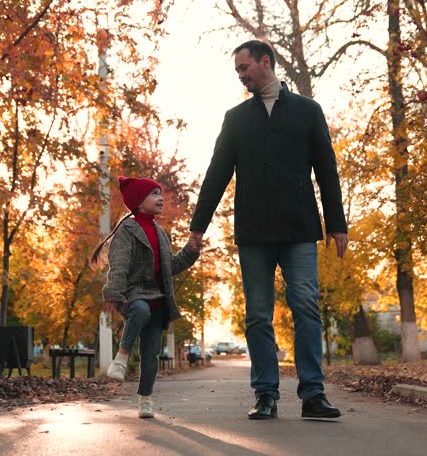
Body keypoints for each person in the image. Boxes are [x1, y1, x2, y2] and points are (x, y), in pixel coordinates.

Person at [188, 40, 348, 420]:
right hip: (254, 233)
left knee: (306, 308)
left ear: (265, 62)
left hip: (299, 231)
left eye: (244, 67)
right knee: (258, 315)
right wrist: (198, 227)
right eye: (238, 70)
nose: (241, 75)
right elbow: (216, 176)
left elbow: (327, 171)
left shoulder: (308, 112)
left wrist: (336, 224)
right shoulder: (236, 119)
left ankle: (313, 395)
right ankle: (266, 395)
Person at [93, 176, 201, 418]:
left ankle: (145, 400)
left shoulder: (160, 233)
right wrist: (114, 293)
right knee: (140, 310)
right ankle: (121, 357)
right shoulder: (127, 230)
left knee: (151, 354)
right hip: (132, 295)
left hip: (158, 299)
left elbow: (169, 266)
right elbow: (119, 265)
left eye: (160, 194)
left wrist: (191, 251)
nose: (160, 198)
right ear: (139, 202)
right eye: (154, 194)